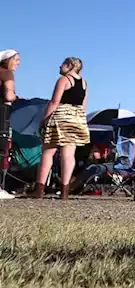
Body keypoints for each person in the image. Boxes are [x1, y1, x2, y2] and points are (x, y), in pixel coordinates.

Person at [34, 57, 89, 200]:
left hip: (61, 116)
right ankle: (65, 191)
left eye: (63, 64)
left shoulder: (64, 80)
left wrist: (43, 120)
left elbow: (54, 102)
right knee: (69, 155)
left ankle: (39, 190)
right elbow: (83, 105)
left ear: (70, 65)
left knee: (48, 151)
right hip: (76, 118)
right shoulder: (84, 83)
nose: (60, 66)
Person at [0, 50, 18, 201]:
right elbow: (8, 95)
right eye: (16, 60)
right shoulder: (6, 73)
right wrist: (16, 97)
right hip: (2, 112)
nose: (18, 63)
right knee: (1, 148)